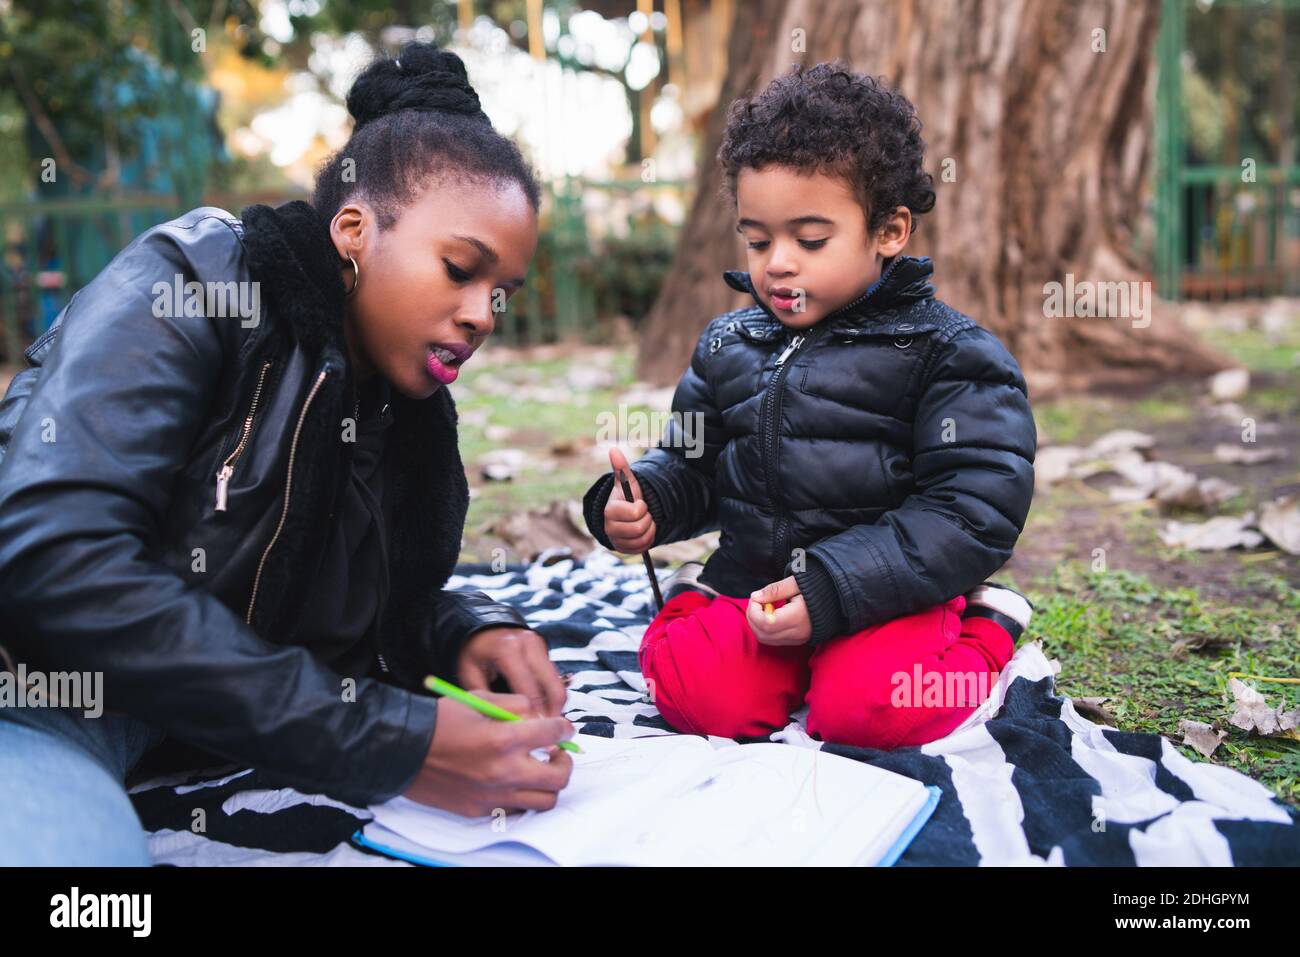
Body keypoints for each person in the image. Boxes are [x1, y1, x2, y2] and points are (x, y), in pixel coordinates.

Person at [0, 42, 574, 866]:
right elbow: (53, 560)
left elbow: (313, 595)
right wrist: (383, 741)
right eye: (460, 269)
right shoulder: (197, 280)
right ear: (353, 230)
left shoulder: (396, 407)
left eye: (503, 293)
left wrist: (460, 631)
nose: (484, 313)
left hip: (185, 727)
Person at [583, 62, 1037, 751]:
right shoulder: (728, 342)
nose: (778, 264)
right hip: (756, 588)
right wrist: (642, 499)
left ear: (889, 231)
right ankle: (697, 602)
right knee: (695, 694)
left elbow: (973, 511)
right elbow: (695, 464)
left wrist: (831, 588)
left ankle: (987, 626)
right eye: (758, 240)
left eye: (810, 239)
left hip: (886, 596)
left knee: (870, 711)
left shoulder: (949, 353)